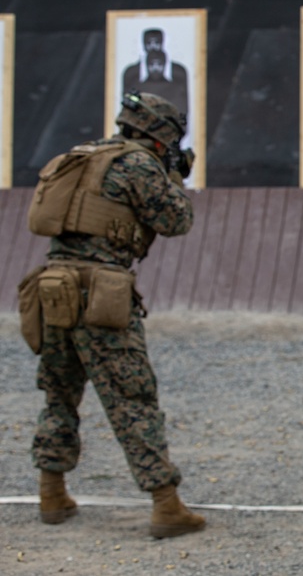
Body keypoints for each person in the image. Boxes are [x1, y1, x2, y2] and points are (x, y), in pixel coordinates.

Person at [23, 91, 204, 538]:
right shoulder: (138, 164)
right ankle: (166, 504)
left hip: (54, 288)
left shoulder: (80, 156)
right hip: (100, 294)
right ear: (159, 136)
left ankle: (52, 491)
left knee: (59, 392)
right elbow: (176, 220)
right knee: (133, 399)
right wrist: (175, 179)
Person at [121, 29, 190, 116]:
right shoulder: (131, 73)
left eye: (156, 43)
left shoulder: (178, 72)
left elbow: (183, 108)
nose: (153, 47)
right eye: (149, 43)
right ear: (144, 44)